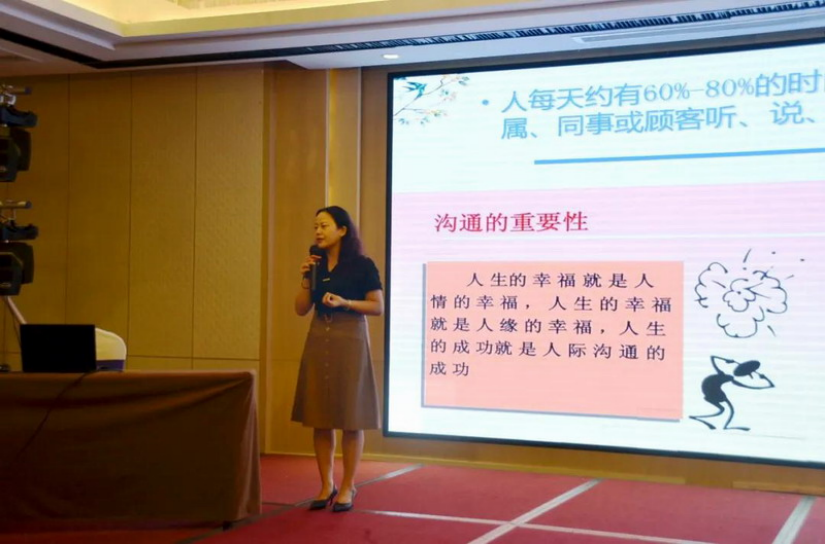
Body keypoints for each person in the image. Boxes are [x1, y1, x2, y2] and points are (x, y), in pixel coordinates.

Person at [291, 205, 383, 513]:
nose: (318, 231)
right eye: (315, 226)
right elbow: (300, 309)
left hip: (350, 334)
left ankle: (348, 486)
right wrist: (306, 278)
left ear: (342, 230)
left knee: (350, 416)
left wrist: (345, 302)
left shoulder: (362, 265)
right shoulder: (316, 264)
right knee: (320, 415)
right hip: (320, 333)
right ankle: (326, 484)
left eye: (324, 225)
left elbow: (377, 306)